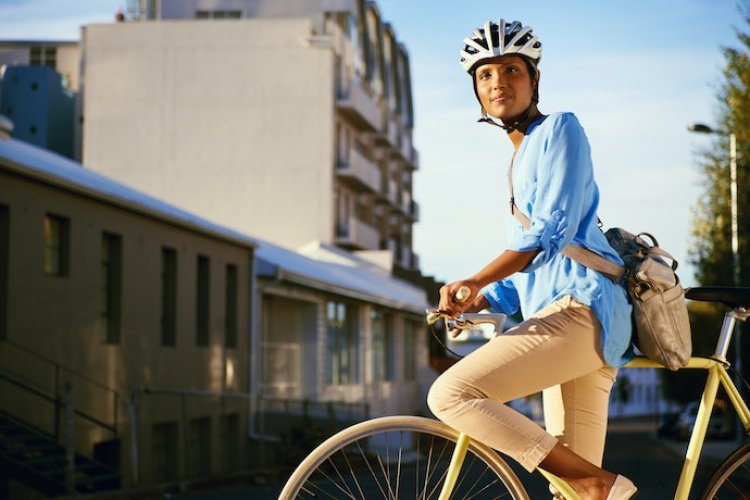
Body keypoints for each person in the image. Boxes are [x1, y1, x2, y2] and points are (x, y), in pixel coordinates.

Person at [426, 19, 638, 500]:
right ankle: (593, 484)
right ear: (477, 92)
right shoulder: (516, 165)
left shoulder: (561, 129)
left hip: (582, 312)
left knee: (452, 395)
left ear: (534, 78)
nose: (498, 81)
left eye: (512, 70)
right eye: (486, 75)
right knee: (577, 498)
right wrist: (481, 296)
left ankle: (595, 479)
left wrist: (475, 277)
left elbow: (549, 233)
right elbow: (532, 271)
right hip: (568, 324)